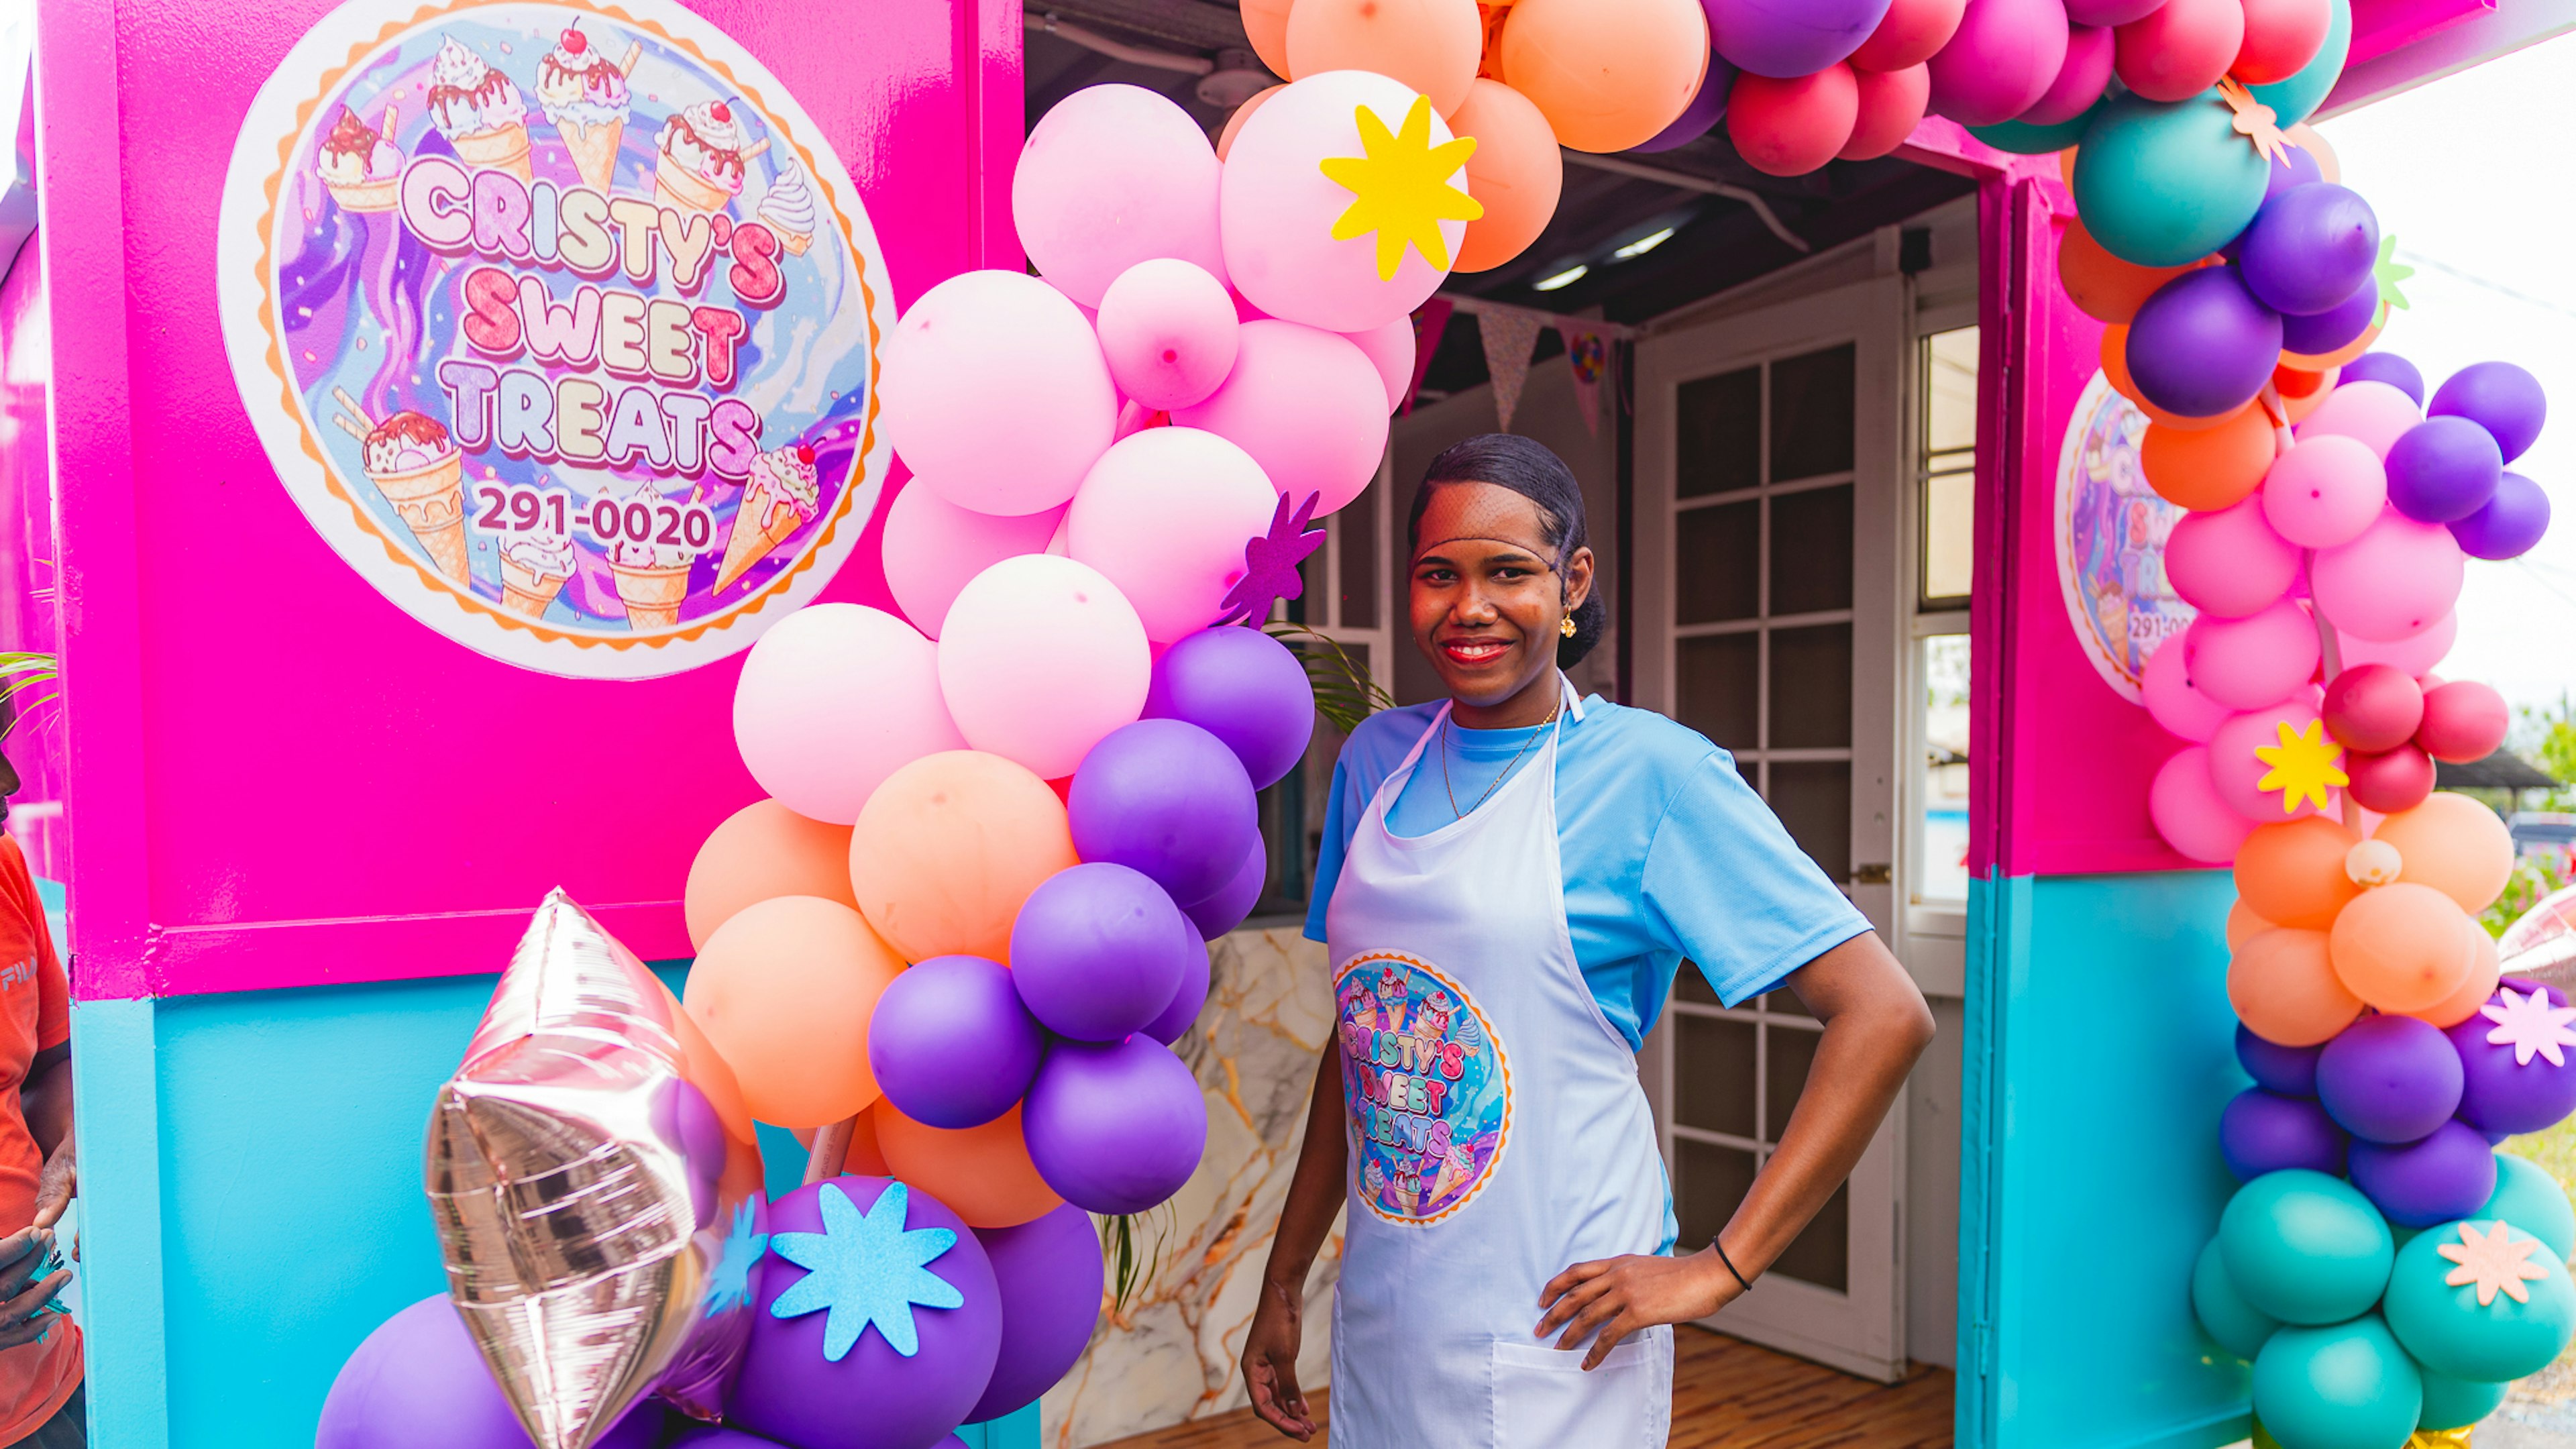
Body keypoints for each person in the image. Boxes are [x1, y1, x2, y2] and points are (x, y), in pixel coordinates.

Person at [1238, 435, 1934, 1446]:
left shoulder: (1656, 776)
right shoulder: (1377, 761)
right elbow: (1370, 1047)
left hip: (1560, 1324)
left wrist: (1719, 1268)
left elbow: (1884, 1014)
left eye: (1508, 572)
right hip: (1389, 1310)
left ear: (1572, 582)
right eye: (1440, 574)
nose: (1469, 606)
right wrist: (1287, 1273)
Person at [0, 692, 81, 1448]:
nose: (11, 784)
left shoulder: (5, 866)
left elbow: (49, 1062)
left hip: (45, 1380)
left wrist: (71, 1145)